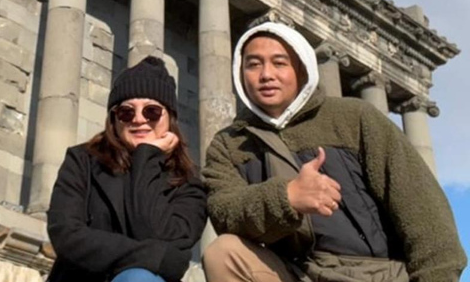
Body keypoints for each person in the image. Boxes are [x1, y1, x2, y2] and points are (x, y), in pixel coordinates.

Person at [202, 22, 466, 282]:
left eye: (279, 63)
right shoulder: (230, 144)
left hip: (377, 274)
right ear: (240, 72)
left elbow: (423, 211)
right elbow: (224, 211)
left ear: (301, 68)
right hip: (299, 273)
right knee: (224, 254)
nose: (266, 74)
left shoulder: (353, 118)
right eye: (253, 64)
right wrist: (287, 197)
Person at [47, 56, 207, 282]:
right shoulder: (82, 161)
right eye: (126, 112)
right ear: (114, 118)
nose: (139, 120)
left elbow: (165, 238)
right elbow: (66, 235)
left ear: (169, 117)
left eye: (152, 111)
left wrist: (148, 157)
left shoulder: (189, 185)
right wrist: (151, 255)